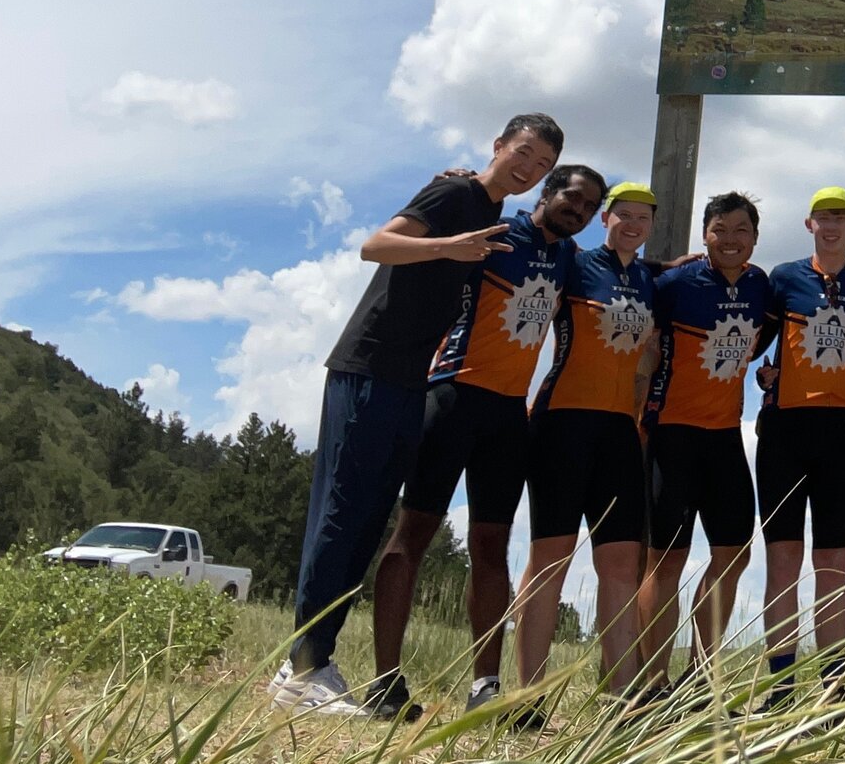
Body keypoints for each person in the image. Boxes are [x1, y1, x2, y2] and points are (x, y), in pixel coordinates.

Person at [273, 113, 563, 715]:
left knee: (367, 518)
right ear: (499, 145)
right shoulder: (457, 193)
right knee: (342, 513)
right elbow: (374, 245)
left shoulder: (488, 211)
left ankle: (317, 663)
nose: (529, 170)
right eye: (524, 154)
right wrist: (447, 247)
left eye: (542, 166)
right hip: (370, 365)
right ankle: (300, 670)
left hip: (411, 379)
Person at [368, 162, 602, 718]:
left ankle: (487, 685)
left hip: (507, 415)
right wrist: (457, 181)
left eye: (591, 206)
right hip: (451, 395)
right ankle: (384, 681)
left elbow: (621, 276)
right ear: (548, 192)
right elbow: (452, 220)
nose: (580, 210)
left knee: (491, 547)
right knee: (413, 534)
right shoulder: (496, 233)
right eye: (573, 197)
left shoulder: (569, 258)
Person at [512, 178, 662, 709]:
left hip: (620, 432)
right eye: (623, 215)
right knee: (550, 561)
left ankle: (620, 696)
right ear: (606, 219)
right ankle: (528, 697)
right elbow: (531, 240)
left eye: (643, 218)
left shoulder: (649, 278)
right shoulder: (575, 262)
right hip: (562, 424)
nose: (633, 225)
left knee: (621, 565)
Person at [637, 191, 775, 692]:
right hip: (671, 433)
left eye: (742, 230)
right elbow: (627, 271)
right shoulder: (674, 283)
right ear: (705, 235)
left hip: (724, 438)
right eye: (721, 229)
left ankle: (700, 678)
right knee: (665, 560)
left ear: (756, 238)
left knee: (734, 554)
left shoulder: (764, 286)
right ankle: (652, 685)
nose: (732, 239)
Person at [753, 185, 845, 698]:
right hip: (784, 429)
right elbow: (751, 335)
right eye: (822, 218)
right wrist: (764, 373)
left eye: (839, 218)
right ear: (808, 225)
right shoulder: (783, 277)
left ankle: (833, 689)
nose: (831, 226)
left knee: (833, 565)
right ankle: (781, 686)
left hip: (839, 431)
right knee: (783, 561)